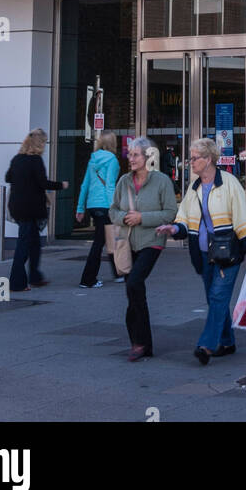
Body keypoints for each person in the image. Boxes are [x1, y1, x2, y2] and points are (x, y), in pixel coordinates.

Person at [156, 137, 246, 365]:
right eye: (190, 158)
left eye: (194, 158)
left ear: (209, 159)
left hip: (228, 253)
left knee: (218, 296)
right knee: (214, 300)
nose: (190, 162)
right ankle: (228, 342)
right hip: (202, 254)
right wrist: (173, 227)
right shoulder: (193, 189)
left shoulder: (230, 184)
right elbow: (183, 218)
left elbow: (242, 216)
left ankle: (207, 345)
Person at [109, 136, 177, 360]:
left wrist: (142, 218)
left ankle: (139, 343)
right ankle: (142, 343)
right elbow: (113, 211)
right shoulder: (124, 182)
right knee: (134, 291)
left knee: (135, 283)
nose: (131, 158)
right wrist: (125, 217)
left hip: (152, 241)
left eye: (136, 154)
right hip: (127, 243)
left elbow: (169, 213)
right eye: (129, 154)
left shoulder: (162, 181)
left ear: (149, 157)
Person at [5, 128, 69, 295]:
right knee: (24, 244)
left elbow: (8, 177)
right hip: (30, 208)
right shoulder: (35, 161)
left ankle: (35, 276)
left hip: (17, 206)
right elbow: (43, 183)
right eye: (44, 142)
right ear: (40, 144)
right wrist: (61, 185)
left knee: (33, 243)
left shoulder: (17, 159)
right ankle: (17, 282)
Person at [75, 130, 121, 288]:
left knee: (110, 238)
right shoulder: (112, 160)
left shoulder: (92, 159)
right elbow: (109, 185)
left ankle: (119, 273)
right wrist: (113, 207)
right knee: (100, 242)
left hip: (93, 205)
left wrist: (80, 208)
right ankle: (87, 279)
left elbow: (85, 184)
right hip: (105, 205)